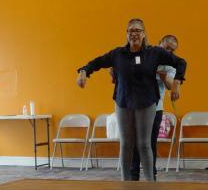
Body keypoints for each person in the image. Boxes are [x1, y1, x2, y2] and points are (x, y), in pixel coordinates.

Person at [76, 18, 186, 181]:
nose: (134, 34)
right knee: (126, 144)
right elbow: (97, 62)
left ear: (144, 34)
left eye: (137, 31)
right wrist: (84, 71)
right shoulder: (118, 53)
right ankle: (126, 182)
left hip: (147, 102)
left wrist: (176, 83)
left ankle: (150, 181)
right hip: (123, 102)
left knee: (143, 144)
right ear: (126, 34)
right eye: (131, 31)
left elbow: (181, 62)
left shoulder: (154, 52)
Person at [130, 34, 182, 181]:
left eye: (172, 50)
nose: (169, 53)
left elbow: (170, 85)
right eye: (166, 48)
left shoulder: (171, 64)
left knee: (150, 142)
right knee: (135, 142)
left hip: (156, 108)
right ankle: (133, 175)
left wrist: (162, 74)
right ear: (159, 44)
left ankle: (151, 174)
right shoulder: (145, 54)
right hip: (136, 105)